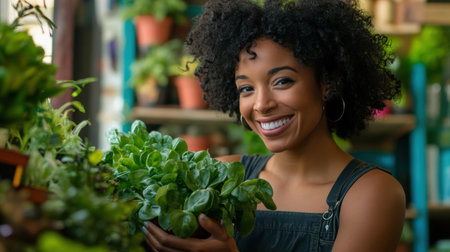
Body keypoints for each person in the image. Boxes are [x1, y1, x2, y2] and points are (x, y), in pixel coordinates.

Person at [141, 0, 406, 251]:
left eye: (282, 81)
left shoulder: (372, 193)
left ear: (328, 83)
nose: (261, 104)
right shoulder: (221, 177)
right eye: (246, 88)